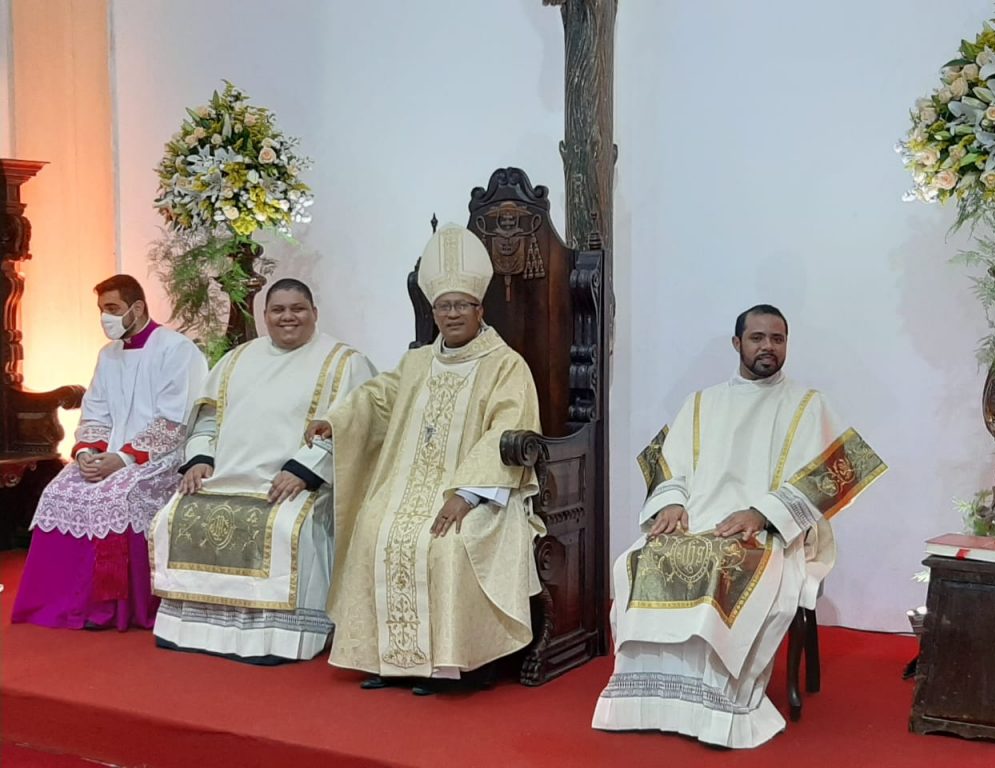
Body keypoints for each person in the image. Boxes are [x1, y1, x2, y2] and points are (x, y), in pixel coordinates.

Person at [592, 304, 887, 748]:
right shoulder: (701, 403)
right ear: (737, 344)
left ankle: (721, 705)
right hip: (700, 518)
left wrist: (763, 513)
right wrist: (671, 503)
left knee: (728, 564)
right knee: (640, 557)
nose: (768, 346)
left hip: (770, 532)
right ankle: (650, 701)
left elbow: (837, 471)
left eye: (777, 339)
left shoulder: (809, 404)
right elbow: (668, 469)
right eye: (757, 338)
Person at [306, 223, 544, 694]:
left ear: (480, 308)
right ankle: (387, 658)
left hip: (481, 493)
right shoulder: (418, 361)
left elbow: (510, 430)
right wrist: (337, 420)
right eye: (443, 306)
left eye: (461, 305)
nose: (452, 314)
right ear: (432, 311)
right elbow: (379, 397)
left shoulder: (505, 364)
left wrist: (467, 493)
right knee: (375, 524)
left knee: (450, 540)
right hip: (407, 485)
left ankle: (453, 664)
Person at [149, 278, 375, 663]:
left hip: (296, 483)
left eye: (297, 309)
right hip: (226, 477)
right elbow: (206, 422)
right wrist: (201, 459)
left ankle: (275, 639)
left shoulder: (345, 363)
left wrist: (305, 470)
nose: (288, 317)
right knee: (172, 514)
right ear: (265, 316)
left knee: (287, 524)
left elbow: (355, 427)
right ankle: (193, 627)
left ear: (314, 313)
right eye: (278, 310)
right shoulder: (237, 359)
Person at [12, 274, 207, 630]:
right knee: (58, 491)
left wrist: (125, 458)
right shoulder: (108, 354)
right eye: (102, 310)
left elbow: (176, 418)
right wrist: (88, 451)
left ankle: (111, 609)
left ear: (137, 308)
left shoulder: (176, 349)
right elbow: (96, 410)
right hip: (110, 454)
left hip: (162, 456)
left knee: (119, 495)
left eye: (113, 308)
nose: (106, 317)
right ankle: (64, 603)